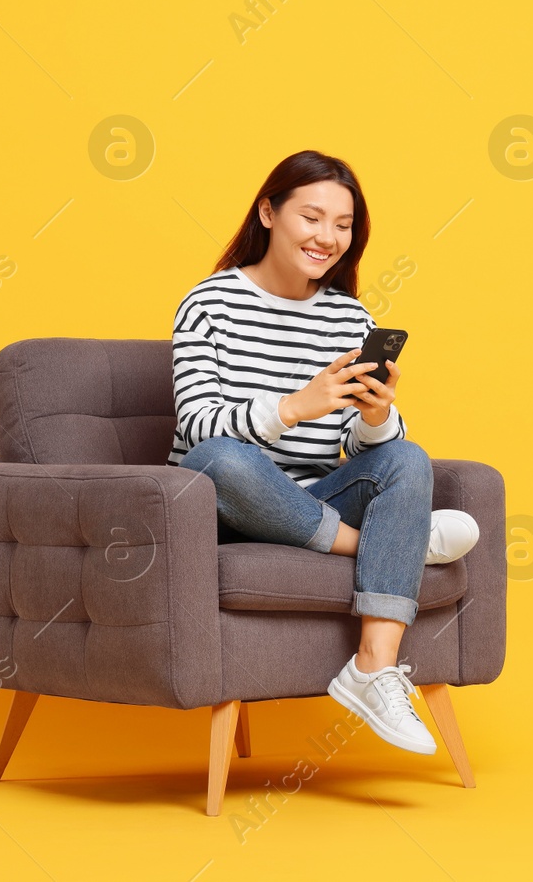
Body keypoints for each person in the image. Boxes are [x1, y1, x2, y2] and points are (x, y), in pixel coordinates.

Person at [168, 150, 480, 755]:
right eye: (312, 218)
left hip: (311, 500)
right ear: (268, 212)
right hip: (227, 503)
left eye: (343, 226)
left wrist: (375, 416)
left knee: (407, 456)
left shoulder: (348, 316)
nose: (327, 238)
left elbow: (355, 449)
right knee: (221, 460)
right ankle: (394, 543)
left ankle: (372, 665)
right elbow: (199, 426)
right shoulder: (207, 304)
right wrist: (294, 406)